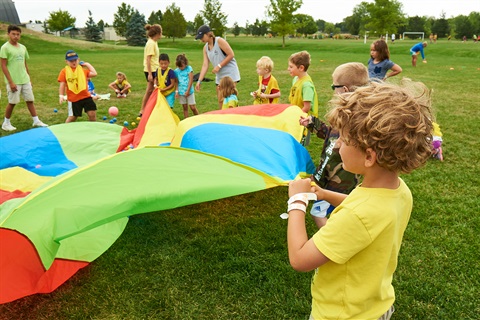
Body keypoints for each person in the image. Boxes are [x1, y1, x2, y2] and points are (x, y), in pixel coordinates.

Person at [286, 79, 434, 320]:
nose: (337, 146)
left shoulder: (358, 216)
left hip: (342, 314)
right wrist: (323, 194)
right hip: (376, 305)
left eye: (343, 139)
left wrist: (297, 202)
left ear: (368, 156)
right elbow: (361, 207)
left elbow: (300, 259)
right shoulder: (398, 191)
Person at [299, 62, 369, 229]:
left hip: (340, 183)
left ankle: (330, 240)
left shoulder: (355, 121)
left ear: (344, 90)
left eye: (334, 86)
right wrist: (313, 124)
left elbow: (336, 152)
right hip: (330, 178)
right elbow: (329, 134)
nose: (333, 90)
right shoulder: (343, 114)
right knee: (339, 210)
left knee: (318, 212)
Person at [1, 24, 47, 131]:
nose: (16, 36)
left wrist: (29, 78)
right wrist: (11, 82)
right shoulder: (5, 48)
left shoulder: (23, 48)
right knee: (13, 102)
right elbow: (3, 66)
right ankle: (6, 123)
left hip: (24, 79)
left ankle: (36, 120)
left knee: (30, 100)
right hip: (14, 80)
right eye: (13, 34)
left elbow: (24, 64)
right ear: (8, 34)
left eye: (18, 34)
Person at [194, 25, 241, 109]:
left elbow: (231, 55)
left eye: (202, 37)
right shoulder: (205, 48)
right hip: (219, 76)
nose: (201, 39)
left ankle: (233, 117)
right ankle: (222, 117)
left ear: (208, 34)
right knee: (220, 99)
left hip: (230, 74)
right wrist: (199, 81)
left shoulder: (219, 41)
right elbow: (205, 65)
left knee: (229, 98)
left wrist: (219, 66)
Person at [287, 50, 318, 145]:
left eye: (291, 67)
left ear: (301, 68)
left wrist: (296, 116)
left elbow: (307, 107)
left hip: (304, 120)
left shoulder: (306, 85)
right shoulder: (296, 79)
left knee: (301, 143)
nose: (288, 69)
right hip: (296, 116)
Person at [58, 50, 97, 123]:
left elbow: (94, 73)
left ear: (78, 60)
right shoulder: (64, 71)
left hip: (86, 96)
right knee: (73, 117)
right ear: (66, 62)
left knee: (92, 114)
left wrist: (87, 64)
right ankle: (66, 128)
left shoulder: (83, 70)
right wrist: (61, 95)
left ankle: (92, 129)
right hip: (74, 99)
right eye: (71, 61)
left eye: (75, 60)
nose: (73, 62)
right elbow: (62, 84)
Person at [139, 24, 162, 117]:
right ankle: (142, 110)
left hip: (155, 69)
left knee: (152, 90)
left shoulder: (154, 42)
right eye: (161, 32)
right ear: (157, 33)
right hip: (151, 70)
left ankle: (149, 109)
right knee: (150, 90)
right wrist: (149, 74)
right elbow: (148, 59)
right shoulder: (151, 43)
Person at [174, 53, 199, 118]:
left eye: (182, 66)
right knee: (185, 107)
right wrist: (176, 91)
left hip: (189, 91)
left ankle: (198, 118)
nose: (181, 68)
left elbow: (191, 80)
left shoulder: (189, 68)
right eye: (179, 67)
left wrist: (188, 91)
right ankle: (186, 121)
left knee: (192, 107)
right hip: (181, 92)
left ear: (185, 63)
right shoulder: (176, 71)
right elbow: (176, 82)